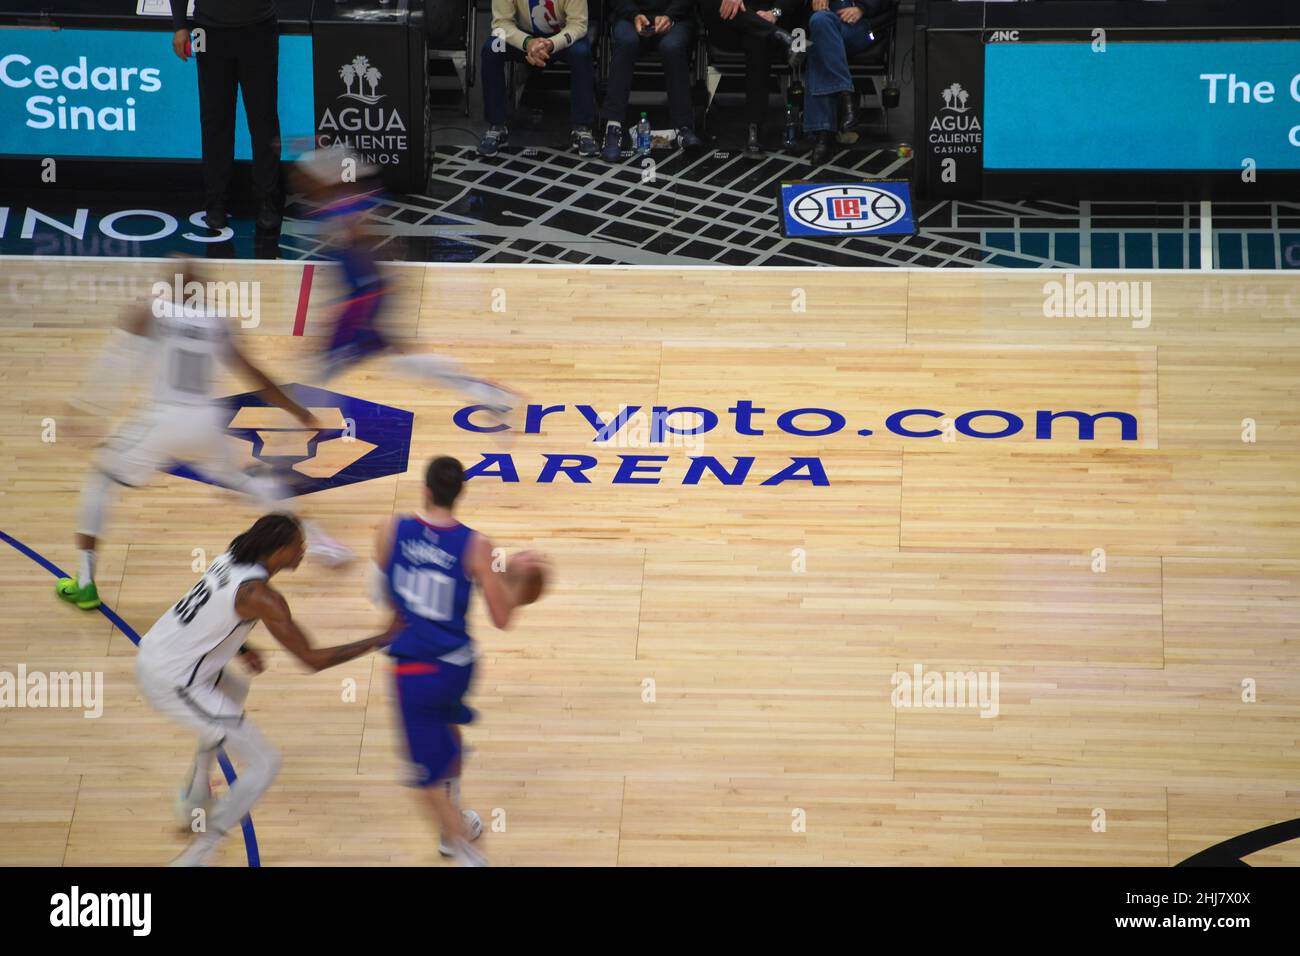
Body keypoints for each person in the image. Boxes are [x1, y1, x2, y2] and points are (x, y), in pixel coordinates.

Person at [55, 261, 351, 612]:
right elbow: (256, 375)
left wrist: (87, 409)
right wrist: (299, 412)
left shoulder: (149, 311)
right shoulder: (216, 323)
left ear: (172, 287)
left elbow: (114, 366)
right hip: (206, 423)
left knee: (101, 478)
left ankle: (85, 583)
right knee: (247, 481)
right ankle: (318, 541)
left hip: (162, 420)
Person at [136, 514, 398, 866]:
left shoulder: (231, 558)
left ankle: (194, 796)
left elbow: (206, 612)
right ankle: (200, 854)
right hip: (172, 681)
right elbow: (311, 659)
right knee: (264, 763)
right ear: (279, 551)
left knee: (232, 688)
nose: (304, 550)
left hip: (159, 648)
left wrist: (240, 648)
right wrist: (381, 638)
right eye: (298, 544)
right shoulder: (263, 597)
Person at [372, 457, 545, 866]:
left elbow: (381, 593)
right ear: (459, 493)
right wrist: (516, 584)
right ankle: (455, 822)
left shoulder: (389, 530)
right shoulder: (476, 545)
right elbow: (502, 620)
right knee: (447, 731)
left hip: (415, 670)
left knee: (424, 777)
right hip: (458, 666)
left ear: (426, 489)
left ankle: (464, 848)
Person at [294, 149, 516, 418]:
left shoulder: (342, 209)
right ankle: (490, 393)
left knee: (320, 367)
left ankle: (290, 439)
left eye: (304, 177)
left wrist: (361, 305)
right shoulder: (338, 206)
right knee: (402, 359)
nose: (300, 182)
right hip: (366, 297)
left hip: (361, 301)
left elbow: (364, 249)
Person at [171, 0, 284, 233]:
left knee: (263, 120)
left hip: (259, 27)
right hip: (207, 29)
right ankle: (216, 202)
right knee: (214, 120)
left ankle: (268, 200)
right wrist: (180, 25)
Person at [479, 0, 597, 158]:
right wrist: (527, 43)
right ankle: (497, 126)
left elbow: (578, 25)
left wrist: (552, 43)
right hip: (522, 37)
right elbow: (501, 24)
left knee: (581, 53)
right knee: (492, 49)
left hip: (560, 38)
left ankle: (582, 128)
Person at [698, 0, 807, 156]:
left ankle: (754, 129)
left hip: (767, 22)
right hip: (729, 23)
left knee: (758, 39)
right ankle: (780, 36)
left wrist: (774, 12)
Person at [602, 0, 701, 161]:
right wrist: (634, 14)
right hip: (630, 16)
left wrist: (670, 15)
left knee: (672, 47)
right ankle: (613, 125)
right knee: (627, 43)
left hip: (676, 16)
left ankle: (684, 127)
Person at [804, 0, 879, 166]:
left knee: (818, 45)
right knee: (820, 24)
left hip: (860, 25)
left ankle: (824, 133)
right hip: (823, 21)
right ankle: (846, 95)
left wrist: (862, 8)